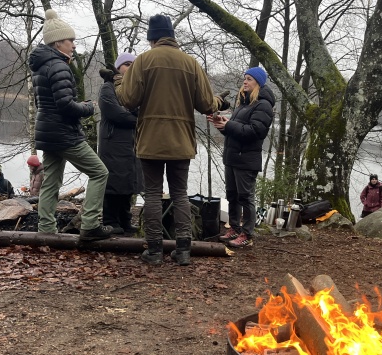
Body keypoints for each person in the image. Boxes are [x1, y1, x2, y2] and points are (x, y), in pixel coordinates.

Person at [116, 14, 228, 265]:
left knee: (153, 194)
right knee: (180, 194)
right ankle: (184, 251)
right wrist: (219, 101)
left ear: (152, 38)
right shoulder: (190, 63)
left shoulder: (143, 61)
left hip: (151, 140)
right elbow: (206, 105)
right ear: (171, 37)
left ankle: (155, 251)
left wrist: (118, 81)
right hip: (181, 140)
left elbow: (127, 100)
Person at [28, 9, 113, 242]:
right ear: (58, 43)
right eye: (70, 41)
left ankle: (45, 230)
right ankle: (91, 225)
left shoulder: (40, 66)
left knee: (51, 182)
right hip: (63, 133)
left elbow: (45, 103)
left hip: (47, 130)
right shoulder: (58, 66)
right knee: (100, 172)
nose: (73, 45)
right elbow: (65, 106)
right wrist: (88, 107)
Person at [210, 66, 274, 248]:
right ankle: (234, 228)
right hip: (232, 157)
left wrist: (229, 125)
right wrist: (222, 125)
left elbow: (255, 132)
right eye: (245, 78)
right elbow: (235, 132)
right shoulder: (243, 104)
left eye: (249, 79)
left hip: (247, 160)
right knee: (232, 196)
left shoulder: (263, 105)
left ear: (259, 84)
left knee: (246, 197)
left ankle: (247, 234)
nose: (245, 82)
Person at [97, 53, 142, 235]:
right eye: (126, 64)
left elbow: (141, 109)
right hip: (113, 142)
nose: (130, 67)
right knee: (113, 183)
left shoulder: (135, 88)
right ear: (118, 67)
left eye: (133, 64)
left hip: (131, 142)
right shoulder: (107, 88)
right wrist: (138, 120)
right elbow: (116, 114)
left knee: (128, 183)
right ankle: (110, 220)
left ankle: (125, 220)